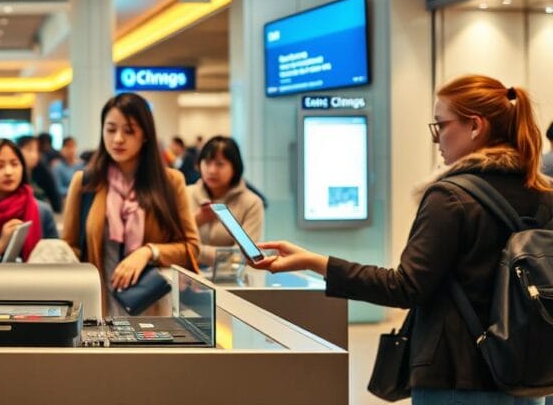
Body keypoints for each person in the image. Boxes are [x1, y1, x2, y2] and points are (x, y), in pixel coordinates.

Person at [255, 75, 553, 405]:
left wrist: (315, 262)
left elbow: (404, 286)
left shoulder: (450, 197)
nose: (436, 138)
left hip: (455, 379)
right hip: (526, 376)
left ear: (475, 126)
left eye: (441, 124)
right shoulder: (543, 196)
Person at [62, 92, 200, 316]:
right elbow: (70, 247)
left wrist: (149, 252)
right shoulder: (85, 183)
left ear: (145, 134)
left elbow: (191, 248)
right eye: (110, 129)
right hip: (97, 308)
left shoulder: (170, 182)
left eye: (129, 130)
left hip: (153, 308)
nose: (117, 139)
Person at [0, 139, 58, 262]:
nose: (8, 172)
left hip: (35, 280)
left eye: (14, 164)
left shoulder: (43, 211)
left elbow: (56, 259)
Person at [187, 136, 264, 265]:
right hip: (183, 278)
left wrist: (190, 251)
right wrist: (196, 220)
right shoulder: (185, 194)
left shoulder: (251, 203)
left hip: (231, 281)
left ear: (235, 168)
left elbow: (244, 256)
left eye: (220, 164)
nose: (212, 170)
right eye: (207, 162)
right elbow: (168, 242)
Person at [17, 135, 63, 213]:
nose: (34, 155)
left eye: (37, 150)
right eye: (29, 149)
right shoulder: (16, 176)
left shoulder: (40, 170)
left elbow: (54, 198)